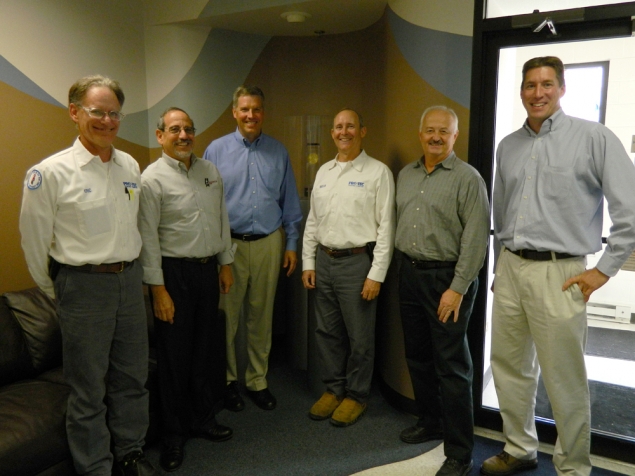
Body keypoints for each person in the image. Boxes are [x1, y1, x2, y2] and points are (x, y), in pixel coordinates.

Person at [483, 56, 635, 476]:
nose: (538, 93)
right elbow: (501, 212)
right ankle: (519, 448)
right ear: (522, 92)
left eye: (547, 84)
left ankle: (573, 468)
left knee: (563, 379)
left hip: (561, 272)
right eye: (530, 85)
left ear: (561, 89)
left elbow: (631, 210)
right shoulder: (508, 146)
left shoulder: (593, 138)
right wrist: (499, 269)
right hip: (511, 269)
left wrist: (604, 270)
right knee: (509, 367)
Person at [19, 75, 156, 476]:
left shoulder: (129, 165)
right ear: (75, 112)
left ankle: (131, 452)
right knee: (88, 388)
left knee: (133, 376)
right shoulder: (50, 173)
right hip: (82, 286)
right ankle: (96, 467)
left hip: (129, 283)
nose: (108, 121)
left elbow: (134, 229)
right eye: (98, 112)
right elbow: (33, 243)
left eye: (115, 113)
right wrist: (62, 289)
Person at [138, 108, 234, 472]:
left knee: (205, 350)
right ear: (160, 135)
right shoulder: (152, 179)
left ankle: (202, 419)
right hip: (172, 275)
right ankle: (173, 436)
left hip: (207, 271)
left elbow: (221, 218)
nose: (183, 135)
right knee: (175, 358)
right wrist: (157, 290)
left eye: (188, 129)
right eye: (175, 129)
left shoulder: (210, 171)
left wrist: (225, 263)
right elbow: (147, 238)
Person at [395, 106, 489, 476]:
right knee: (417, 355)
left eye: (443, 132)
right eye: (430, 130)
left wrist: (457, 289)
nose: (436, 136)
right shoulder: (406, 174)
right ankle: (429, 421)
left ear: (455, 136)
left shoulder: (468, 179)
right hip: (409, 274)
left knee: (452, 366)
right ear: (420, 133)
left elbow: (476, 240)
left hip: (447, 281)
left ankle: (460, 453)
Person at [203, 85, 302, 412]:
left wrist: (290, 243)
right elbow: (207, 204)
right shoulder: (215, 151)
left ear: (263, 113)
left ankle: (257, 380)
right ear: (234, 112)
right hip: (229, 247)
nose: (250, 115)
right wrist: (217, 253)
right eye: (244, 109)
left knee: (261, 317)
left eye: (256, 109)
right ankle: (229, 381)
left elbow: (288, 202)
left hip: (268, 244)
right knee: (228, 319)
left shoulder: (278, 151)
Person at [302, 108, 395, 427]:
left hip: (358, 264)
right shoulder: (324, 172)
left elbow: (386, 229)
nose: (344, 132)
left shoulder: (377, 172)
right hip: (324, 262)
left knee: (359, 337)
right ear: (331, 133)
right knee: (326, 332)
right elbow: (313, 220)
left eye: (351, 126)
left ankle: (356, 396)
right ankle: (333, 389)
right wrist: (308, 262)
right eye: (338, 127)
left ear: (362, 131)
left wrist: (376, 274)